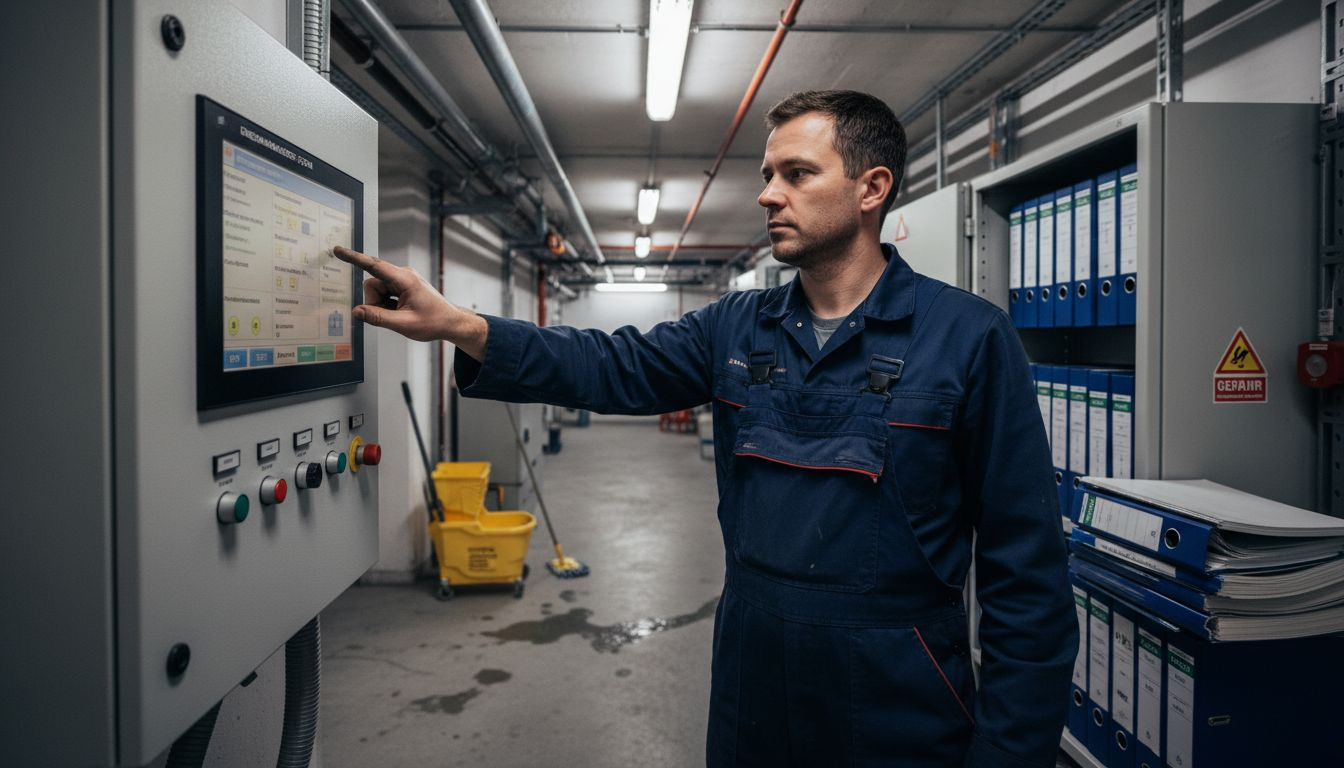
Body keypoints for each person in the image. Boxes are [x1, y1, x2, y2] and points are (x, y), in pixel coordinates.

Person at [335, 89, 1077, 767]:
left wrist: (1009, 755)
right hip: (755, 685)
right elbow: (608, 365)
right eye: (768, 174)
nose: (768, 194)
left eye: (797, 174)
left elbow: (1027, 578)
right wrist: (462, 326)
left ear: (871, 189)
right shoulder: (737, 327)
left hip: (901, 705)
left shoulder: (968, 338)